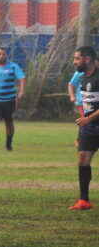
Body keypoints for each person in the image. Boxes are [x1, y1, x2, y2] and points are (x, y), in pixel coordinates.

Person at [70, 46, 99, 210]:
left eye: (77, 58)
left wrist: (88, 119)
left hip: (91, 122)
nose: (74, 62)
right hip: (88, 127)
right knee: (83, 159)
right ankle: (84, 200)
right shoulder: (82, 78)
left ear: (87, 59)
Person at [0, 47, 25, 151]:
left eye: (3, 54)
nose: (1, 56)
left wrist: (21, 91)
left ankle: (8, 144)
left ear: (7, 55)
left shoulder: (13, 66)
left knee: (9, 122)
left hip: (9, 100)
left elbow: (22, 78)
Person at [69, 70, 85, 148]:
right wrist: (72, 96)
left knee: (89, 121)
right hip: (81, 101)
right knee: (85, 120)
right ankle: (79, 141)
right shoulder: (80, 72)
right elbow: (71, 84)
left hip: (94, 101)